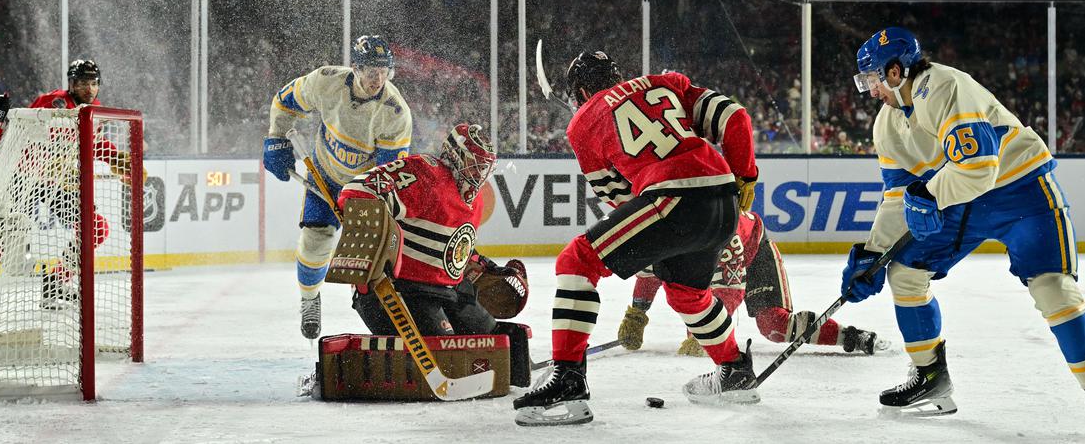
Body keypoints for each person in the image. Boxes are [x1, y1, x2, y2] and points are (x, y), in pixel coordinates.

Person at [841, 27, 1085, 430]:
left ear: (895, 72)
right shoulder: (886, 125)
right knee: (904, 273)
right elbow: (899, 196)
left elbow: (978, 171)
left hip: (1022, 189)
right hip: (960, 200)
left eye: (872, 79)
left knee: (1052, 286)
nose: (870, 91)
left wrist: (926, 193)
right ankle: (930, 377)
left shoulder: (945, 87)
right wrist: (873, 254)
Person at [513, 51, 760, 426]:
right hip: (724, 200)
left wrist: (651, 226)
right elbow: (734, 117)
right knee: (687, 293)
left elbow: (619, 197)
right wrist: (745, 174)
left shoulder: (581, 123)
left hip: (673, 200)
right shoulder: (666, 83)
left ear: (580, 91)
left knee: (577, 260)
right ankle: (735, 371)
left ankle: (568, 379)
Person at [336, 123, 531, 387]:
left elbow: (448, 245)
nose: (479, 174)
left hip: (448, 289)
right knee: (445, 352)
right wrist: (376, 244)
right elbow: (358, 191)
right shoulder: (424, 172)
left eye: (484, 167)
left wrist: (480, 264)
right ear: (454, 156)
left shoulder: (475, 199)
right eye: (474, 165)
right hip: (399, 289)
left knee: (496, 339)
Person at [263, 35, 412, 339]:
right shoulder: (325, 82)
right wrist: (276, 138)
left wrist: (361, 199)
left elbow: (388, 175)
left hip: (366, 191)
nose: (379, 79)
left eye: (385, 72)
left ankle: (389, 315)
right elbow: (284, 101)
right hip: (325, 177)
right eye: (372, 71)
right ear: (355, 68)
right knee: (314, 242)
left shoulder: (395, 113)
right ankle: (309, 299)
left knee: (378, 261)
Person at [618, 209, 885, 356]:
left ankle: (850, 336)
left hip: (754, 251)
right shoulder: (663, 230)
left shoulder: (722, 235)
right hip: (711, 253)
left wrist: (703, 335)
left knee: (774, 326)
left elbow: (729, 294)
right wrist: (636, 314)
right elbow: (650, 272)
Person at [28, 59, 136, 308]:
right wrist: (43, 161)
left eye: (94, 83)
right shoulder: (52, 101)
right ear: (72, 84)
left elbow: (94, 143)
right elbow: (24, 131)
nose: (90, 88)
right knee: (2, 239)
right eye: (84, 82)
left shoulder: (94, 109)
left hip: (58, 184)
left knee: (95, 228)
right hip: (30, 178)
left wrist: (115, 158)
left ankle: (54, 282)